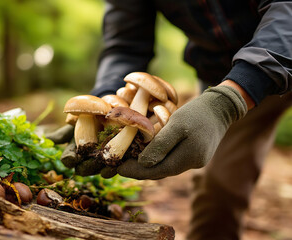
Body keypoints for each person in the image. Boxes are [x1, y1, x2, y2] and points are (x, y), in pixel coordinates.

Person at [47, 1, 292, 239]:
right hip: (226, 74)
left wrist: (227, 101)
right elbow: (125, 44)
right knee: (218, 190)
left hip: (260, 63)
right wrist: (103, 106)